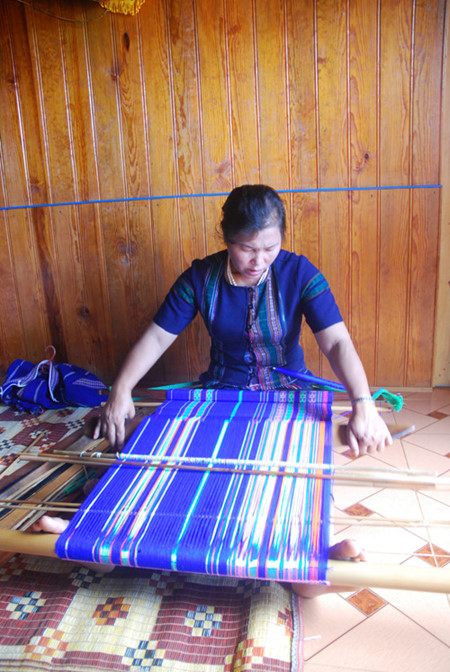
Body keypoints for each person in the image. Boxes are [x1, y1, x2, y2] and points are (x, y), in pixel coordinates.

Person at [34, 184, 392, 595]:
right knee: (174, 458)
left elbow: (337, 341)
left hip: (287, 399)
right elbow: (157, 337)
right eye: (246, 248)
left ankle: (310, 560)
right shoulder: (201, 278)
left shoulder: (299, 273)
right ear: (226, 238)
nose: (258, 260)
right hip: (220, 396)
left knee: (277, 475)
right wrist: (120, 391)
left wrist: (363, 403)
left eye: (270, 248)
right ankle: (97, 533)